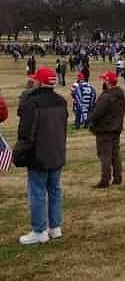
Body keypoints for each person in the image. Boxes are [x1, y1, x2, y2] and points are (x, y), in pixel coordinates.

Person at [12, 67, 68, 245]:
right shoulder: (61, 101)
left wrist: (20, 152)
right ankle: (55, 227)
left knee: (37, 192)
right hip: (56, 151)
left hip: (39, 154)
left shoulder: (32, 102)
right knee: (54, 190)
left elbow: (26, 132)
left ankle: (39, 230)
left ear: (40, 81)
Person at [88, 71, 125, 188]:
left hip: (104, 130)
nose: (102, 82)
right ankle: (117, 177)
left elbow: (96, 113)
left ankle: (105, 180)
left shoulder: (106, 96)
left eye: (104, 80)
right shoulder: (120, 95)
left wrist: (90, 119)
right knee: (115, 154)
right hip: (115, 128)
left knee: (105, 155)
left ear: (107, 82)